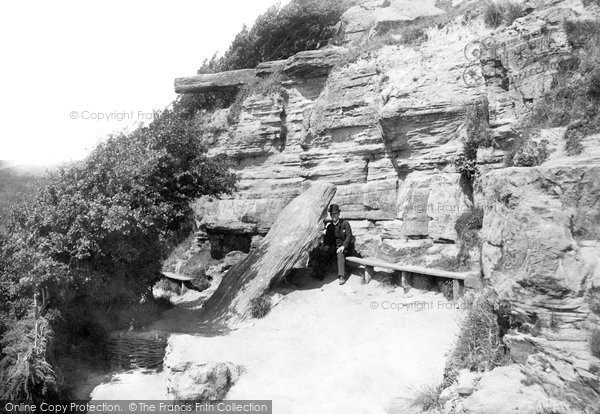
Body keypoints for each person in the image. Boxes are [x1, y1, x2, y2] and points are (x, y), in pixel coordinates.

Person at [323, 204, 357, 285]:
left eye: (335, 214)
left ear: (338, 214)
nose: (333, 216)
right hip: (334, 247)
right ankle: (319, 273)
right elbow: (327, 239)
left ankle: (341, 276)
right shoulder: (330, 227)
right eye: (332, 214)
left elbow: (349, 236)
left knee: (340, 253)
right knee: (322, 252)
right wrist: (326, 246)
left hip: (345, 248)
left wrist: (343, 246)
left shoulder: (345, 223)